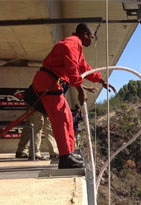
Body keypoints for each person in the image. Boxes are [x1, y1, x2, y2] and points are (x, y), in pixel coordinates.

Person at [32, 23, 116, 169]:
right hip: (48, 84)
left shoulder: (77, 47)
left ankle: (67, 154)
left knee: (67, 119)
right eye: (91, 37)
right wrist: (80, 90)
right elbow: (72, 70)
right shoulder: (72, 44)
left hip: (51, 84)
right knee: (62, 120)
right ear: (84, 34)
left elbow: (84, 68)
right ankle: (65, 158)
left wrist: (101, 80)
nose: (92, 40)